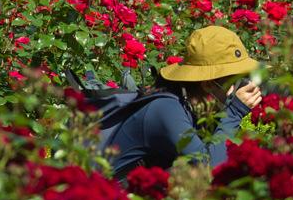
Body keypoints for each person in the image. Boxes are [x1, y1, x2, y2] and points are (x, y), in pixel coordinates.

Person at [108, 25, 263, 182]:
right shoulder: (166, 108)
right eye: (236, 80)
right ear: (208, 84)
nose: (243, 87)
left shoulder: (193, 108)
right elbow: (209, 171)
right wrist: (235, 112)